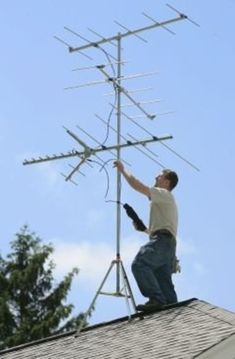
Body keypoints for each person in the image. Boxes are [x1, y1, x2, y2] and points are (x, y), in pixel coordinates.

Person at [113, 160, 179, 311]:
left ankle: (156, 299)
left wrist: (123, 170)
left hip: (162, 242)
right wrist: (144, 229)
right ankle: (172, 309)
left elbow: (138, 186)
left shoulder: (165, 194)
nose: (156, 177)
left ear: (167, 182)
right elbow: (162, 228)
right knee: (164, 286)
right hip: (167, 246)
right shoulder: (165, 200)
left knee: (140, 264)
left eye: (160, 176)